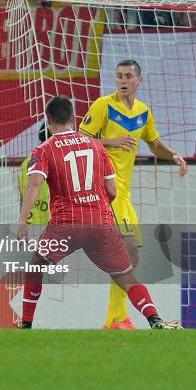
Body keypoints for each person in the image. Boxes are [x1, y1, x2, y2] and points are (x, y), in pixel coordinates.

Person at [18, 95, 180, 330]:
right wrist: (98, 206)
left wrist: (23, 219)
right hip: (101, 222)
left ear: (49, 119)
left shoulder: (45, 149)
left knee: (35, 267)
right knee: (125, 277)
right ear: (73, 119)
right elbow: (112, 190)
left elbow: (34, 184)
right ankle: (155, 319)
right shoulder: (96, 146)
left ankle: (25, 325)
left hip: (66, 224)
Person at [79, 59, 188, 330]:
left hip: (124, 196)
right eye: (118, 76)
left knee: (131, 257)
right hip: (105, 193)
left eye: (128, 76)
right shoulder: (103, 105)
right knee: (126, 253)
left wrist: (173, 155)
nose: (123, 81)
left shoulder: (143, 112)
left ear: (139, 80)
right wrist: (110, 142)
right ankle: (116, 319)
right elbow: (80, 138)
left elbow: (154, 144)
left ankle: (116, 319)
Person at [19, 122, 50, 226]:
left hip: (29, 222)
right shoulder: (52, 159)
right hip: (48, 225)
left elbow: (22, 196)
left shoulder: (27, 161)